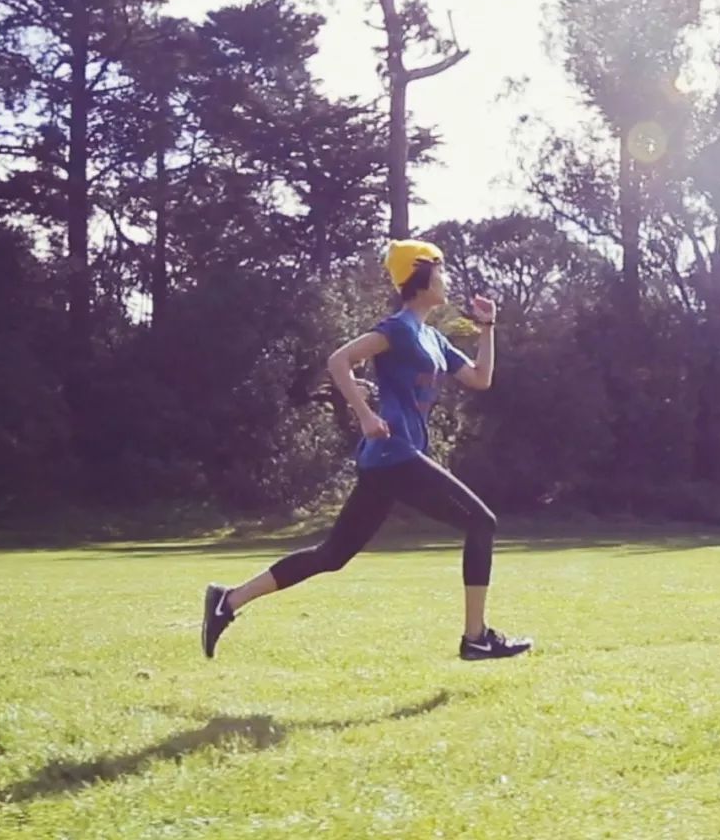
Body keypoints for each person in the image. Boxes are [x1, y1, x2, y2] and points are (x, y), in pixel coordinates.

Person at [201, 238, 532, 662]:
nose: (447, 278)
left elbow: (480, 379)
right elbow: (339, 359)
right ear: (421, 275)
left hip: (388, 461)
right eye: (441, 269)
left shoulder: (433, 337)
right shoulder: (396, 329)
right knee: (481, 522)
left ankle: (227, 601)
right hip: (393, 453)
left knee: (333, 555)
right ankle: (476, 637)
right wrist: (363, 415)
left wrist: (488, 329)